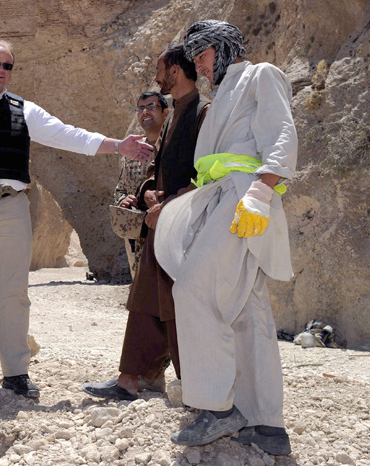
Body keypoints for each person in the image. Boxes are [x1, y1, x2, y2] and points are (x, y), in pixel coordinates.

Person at [0, 37, 153, 398]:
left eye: (7, 66)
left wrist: (117, 145)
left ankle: (16, 373)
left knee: (15, 292)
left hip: (13, 206)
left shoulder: (24, 110)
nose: (1, 71)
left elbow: (67, 135)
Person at [153, 20, 297, 455]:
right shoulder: (220, 98)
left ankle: (217, 409)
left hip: (244, 200)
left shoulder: (260, 74)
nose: (199, 65)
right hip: (221, 198)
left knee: (194, 287)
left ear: (226, 46)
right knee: (248, 316)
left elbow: (283, 134)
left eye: (203, 55)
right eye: (194, 59)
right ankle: (266, 424)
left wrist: (259, 192)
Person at [83, 44, 209, 400]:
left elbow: (207, 175)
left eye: (161, 71)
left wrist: (170, 203)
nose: (156, 78)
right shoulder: (176, 116)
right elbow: (159, 169)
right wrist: (148, 192)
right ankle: (129, 379)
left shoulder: (202, 112)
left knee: (175, 305)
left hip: (183, 225)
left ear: (175, 72)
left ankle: (195, 385)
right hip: (161, 222)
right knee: (143, 302)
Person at [113, 92, 169, 277]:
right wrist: (123, 200)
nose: (145, 112)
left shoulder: (174, 146)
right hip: (138, 236)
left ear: (166, 113)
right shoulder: (133, 151)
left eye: (151, 107)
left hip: (169, 229)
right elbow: (120, 188)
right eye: (141, 108)